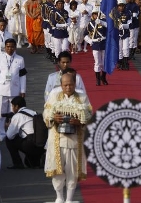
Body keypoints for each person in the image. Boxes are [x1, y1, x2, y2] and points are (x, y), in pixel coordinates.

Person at [43, 72, 92, 203]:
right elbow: (46, 113)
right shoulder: (54, 95)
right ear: (61, 85)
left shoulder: (82, 97)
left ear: (75, 84)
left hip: (74, 140)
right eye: (65, 85)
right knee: (58, 171)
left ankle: (69, 199)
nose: (68, 87)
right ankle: (59, 197)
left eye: (71, 84)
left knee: (72, 171)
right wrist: (54, 118)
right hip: (57, 140)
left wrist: (80, 121)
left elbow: (89, 115)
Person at [0, 38, 27, 140]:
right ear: (5, 47)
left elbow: (22, 76)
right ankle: (1, 133)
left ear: (15, 48)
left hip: (15, 88)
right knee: (1, 112)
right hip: (2, 88)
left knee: (15, 112)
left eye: (12, 47)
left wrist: (23, 90)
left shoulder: (20, 59)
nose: (10, 49)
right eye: (8, 47)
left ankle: (13, 132)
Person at [5, 96, 45, 169]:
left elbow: (9, 135)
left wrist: (9, 126)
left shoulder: (18, 116)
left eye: (12, 106)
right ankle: (37, 159)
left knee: (8, 139)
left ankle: (17, 163)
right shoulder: (34, 112)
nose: (12, 108)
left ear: (17, 106)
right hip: (41, 144)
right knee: (30, 164)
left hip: (30, 144)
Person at [84, 8, 108, 86]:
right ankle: (97, 79)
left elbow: (109, 27)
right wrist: (89, 41)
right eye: (94, 14)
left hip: (103, 43)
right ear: (92, 15)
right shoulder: (90, 24)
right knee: (97, 62)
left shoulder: (103, 22)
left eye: (97, 14)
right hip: (95, 44)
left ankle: (103, 77)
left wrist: (101, 22)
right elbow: (85, 34)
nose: (96, 16)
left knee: (104, 62)